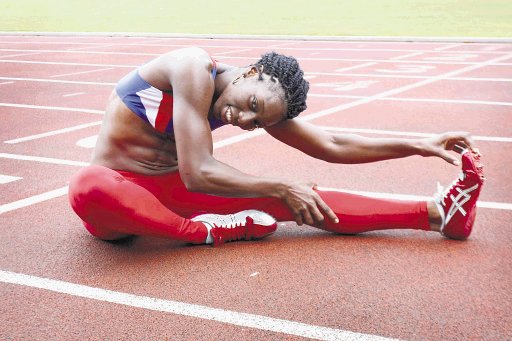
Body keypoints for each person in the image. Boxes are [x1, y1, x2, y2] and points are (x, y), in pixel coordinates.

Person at [68, 47, 485, 246]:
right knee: (87, 184)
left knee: (303, 197)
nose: (245, 120)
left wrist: (419, 144)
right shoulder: (191, 67)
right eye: (251, 106)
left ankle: (438, 215)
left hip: (175, 192)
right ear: (250, 72)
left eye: (258, 122)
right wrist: (277, 186)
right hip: (117, 205)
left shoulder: (257, 103)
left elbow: (332, 144)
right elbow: (198, 169)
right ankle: (205, 232)